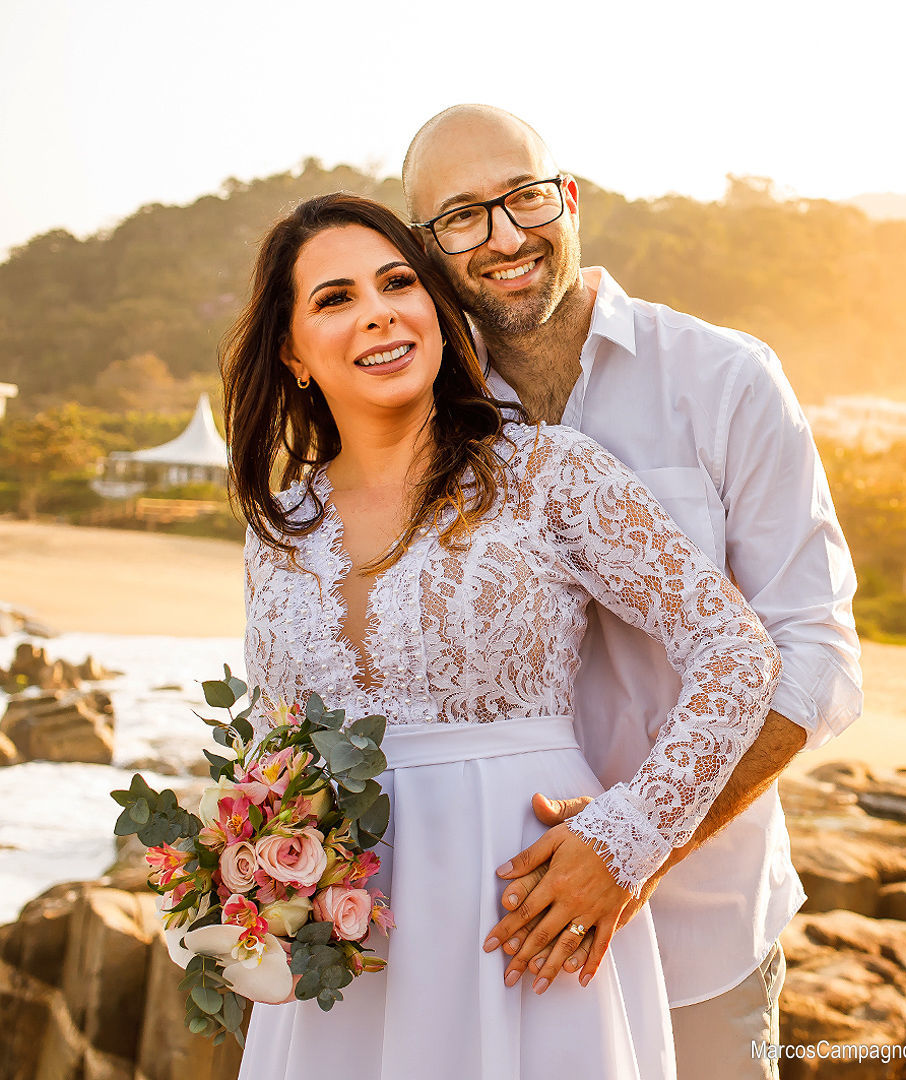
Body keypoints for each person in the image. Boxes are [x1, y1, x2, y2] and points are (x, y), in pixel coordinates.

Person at [223, 192, 782, 1078]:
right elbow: (272, 738)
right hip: (350, 949)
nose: (378, 312)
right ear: (292, 352)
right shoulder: (280, 526)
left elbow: (739, 652)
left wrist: (631, 836)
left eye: (398, 282)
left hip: (526, 920)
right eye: (335, 298)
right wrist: (247, 871)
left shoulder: (546, 474)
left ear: (437, 315)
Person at [401, 105, 863, 1076]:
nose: (504, 236)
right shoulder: (416, 425)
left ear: (569, 199)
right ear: (424, 249)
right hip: (498, 933)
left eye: (524, 196)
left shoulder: (725, 378)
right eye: (460, 217)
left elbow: (816, 656)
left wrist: (638, 839)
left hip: (705, 937)